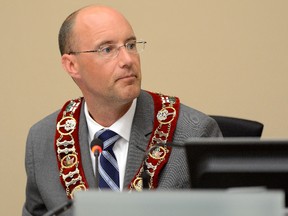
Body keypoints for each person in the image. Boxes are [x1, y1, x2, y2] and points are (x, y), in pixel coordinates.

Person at [22, 5, 222, 216]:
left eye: (131, 45)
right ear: (72, 65)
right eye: (107, 49)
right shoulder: (43, 139)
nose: (128, 60)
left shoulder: (193, 133)